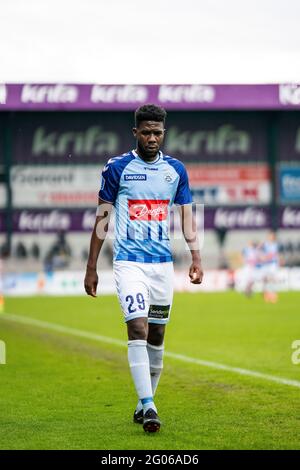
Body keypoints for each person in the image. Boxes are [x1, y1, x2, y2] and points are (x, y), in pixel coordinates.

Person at [84, 104, 203, 433]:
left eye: (158, 133)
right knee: (137, 328)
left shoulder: (176, 171)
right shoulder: (118, 167)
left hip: (162, 266)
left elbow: (187, 216)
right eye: (147, 132)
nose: (153, 138)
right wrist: (91, 266)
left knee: (157, 334)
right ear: (135, 132)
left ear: (164, 133)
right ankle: (150, 406)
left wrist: (196, 257)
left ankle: (142, 401)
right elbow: (102, 218)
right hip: (129, 263)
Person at [260, 231, 280, 303]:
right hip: (266, 264)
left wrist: (278, 261)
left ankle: (273, 294)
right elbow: (259, 251)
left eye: (272, 236)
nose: (271, 237)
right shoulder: (265, 244)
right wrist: (262, 257)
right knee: (266, 279)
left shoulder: (276, 245)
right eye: (270, 236)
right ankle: (266, 294)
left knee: (272, 279)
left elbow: (276, 254)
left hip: (273, 264)